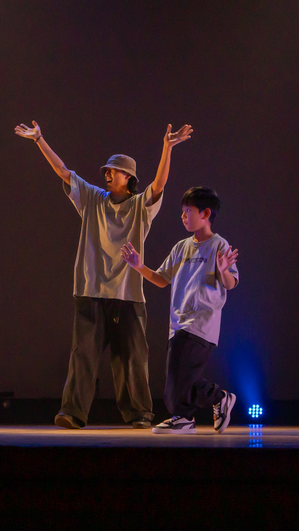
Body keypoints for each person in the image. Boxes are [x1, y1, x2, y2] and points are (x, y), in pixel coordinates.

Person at [15, 120, 192, 429]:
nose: (107, 174)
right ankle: (73, 413)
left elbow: (159, 185)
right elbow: (63, 172)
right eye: (107, 171)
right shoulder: (93, 198)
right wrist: (39, 139)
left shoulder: (140, 206)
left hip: (127, 294)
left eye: (114, 171)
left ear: (129, 178)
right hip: (91, 291)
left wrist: (167, 147)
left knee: (131, 359)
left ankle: (139, 414)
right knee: (82, 355)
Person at [120, 187, 239, 434]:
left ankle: (185, 417)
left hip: (201, 323)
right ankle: (216, 399)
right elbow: (162, 279)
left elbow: (230, 283)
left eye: (188, 211)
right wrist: (139, 266)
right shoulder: (181, 247)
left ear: (205, 213)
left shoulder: (219, 245)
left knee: (175, 384)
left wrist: (224, 270)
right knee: (182, 381)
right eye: (182, 211)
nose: (183, 216)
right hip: (178, 324)